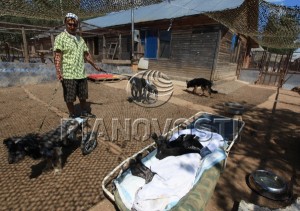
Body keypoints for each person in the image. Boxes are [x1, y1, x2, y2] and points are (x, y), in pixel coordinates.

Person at [54, 12, 105, 118]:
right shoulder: (60, 38)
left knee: (83, 95)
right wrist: (58, 71)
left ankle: (84, 112)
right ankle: (72, 114)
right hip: (68, 74)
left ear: (77, 25)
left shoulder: (80, 39)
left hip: (81, 73)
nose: (72, 27)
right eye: (70, 24)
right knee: (69, 97)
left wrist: (95, 66)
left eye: (74, 25)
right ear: (65, 23)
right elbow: (58, 56)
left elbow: (86, 55)